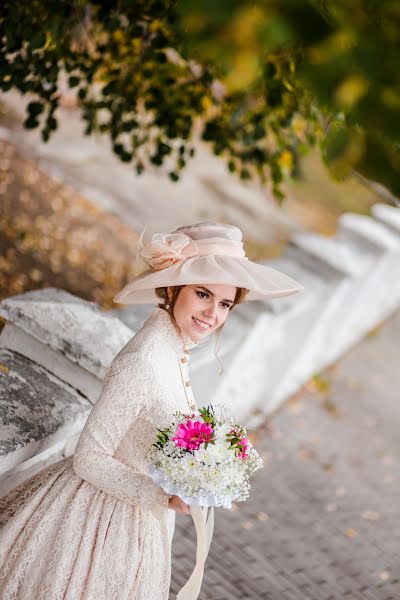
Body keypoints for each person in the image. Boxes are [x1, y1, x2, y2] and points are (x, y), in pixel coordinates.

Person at [0, 222, 303, 599]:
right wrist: (162, 497)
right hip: (94, 519)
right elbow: (89, 458)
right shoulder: (144, 359)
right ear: (175, 288)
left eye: (224, 303)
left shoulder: (174, 348)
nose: (213, 313)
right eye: (203, 294)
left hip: (135, 523)